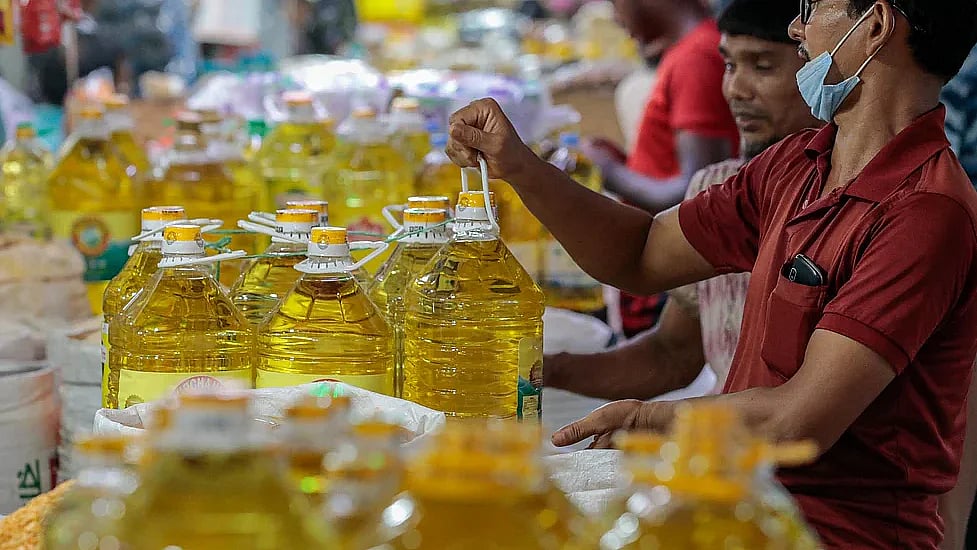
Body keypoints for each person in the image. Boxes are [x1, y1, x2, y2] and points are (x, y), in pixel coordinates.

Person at [444, 0, 977, 547]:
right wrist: (519, 167)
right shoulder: (797, 164)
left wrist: (649, 421)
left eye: (813, 6)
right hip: (743, 501)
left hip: (831, 535)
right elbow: (642, 253)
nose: (796, 25)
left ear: (877, 26)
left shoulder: (924, 212)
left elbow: (797, 422)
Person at [545, 0, 819, 400]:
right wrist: (546, 369)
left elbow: (800, 412)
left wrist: (653, 421)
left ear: (823, 71)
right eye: (729, 66)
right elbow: (672, 354)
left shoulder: (850, 207)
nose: (736, 90)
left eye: (762, 67)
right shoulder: (721, 188)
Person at [589, 0, 741, 337]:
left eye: (614, 3)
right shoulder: (689, 49)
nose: (615, 17)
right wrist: (625, 165)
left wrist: (609, 171)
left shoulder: (696, 58)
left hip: (667, 274)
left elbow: (698, 192)